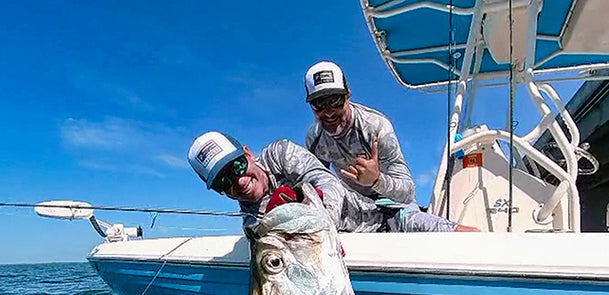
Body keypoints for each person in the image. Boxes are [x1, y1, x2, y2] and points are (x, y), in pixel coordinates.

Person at [303, 61, 477, 232]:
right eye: (319, 103)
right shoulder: (315, 138)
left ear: (347, 95)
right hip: (356, 211)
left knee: (463, 233)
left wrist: (377, 180)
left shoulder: (375, 126)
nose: (328, 111)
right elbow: (315, 184)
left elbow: (407, 192)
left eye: (335, 100)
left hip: (395, 208)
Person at [187, 131, 388, 232]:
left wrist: (315, 210)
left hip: (385, 218)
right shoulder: (254, 227)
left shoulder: (280, 154)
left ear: (248, 154)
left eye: (237, 167)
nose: (238, 182)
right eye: (224, 181)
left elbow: (326, 181)